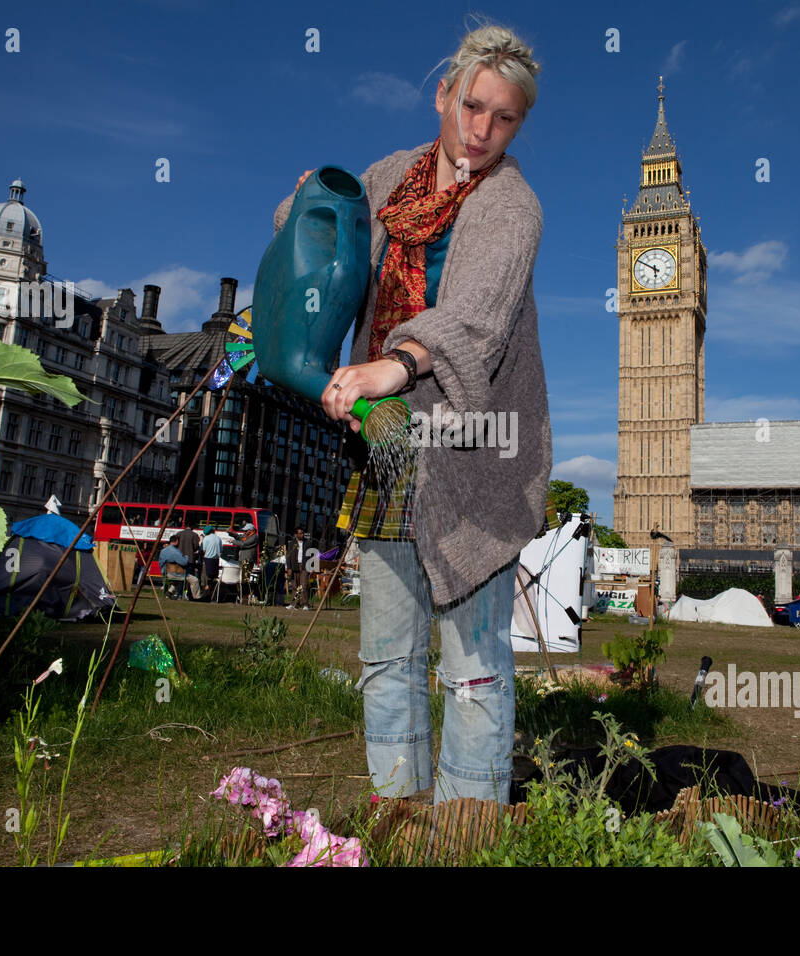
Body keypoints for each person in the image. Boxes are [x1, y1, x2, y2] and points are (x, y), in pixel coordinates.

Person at [276, 24, 551, 804]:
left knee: (472, 665)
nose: (482, 130)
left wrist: (390, 364)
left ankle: (466, 832)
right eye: (472, 106)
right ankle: (396, 811)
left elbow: (475, 319)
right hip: (388, 446)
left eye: (504, 118)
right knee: (387, 656)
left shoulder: (510, 205)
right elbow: (325, 245)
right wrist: (306, 207)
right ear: (443, 95)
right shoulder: (389, 177)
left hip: (472, 453)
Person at [285, 527, 310, 611]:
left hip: (304, 566)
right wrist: (289, 567)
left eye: (302, 533)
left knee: (303, 585)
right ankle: (294, 603)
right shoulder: (292, 543)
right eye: (299, 533)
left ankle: (305, 604)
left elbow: (312, 555)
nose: (301, 535)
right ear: (296, 534)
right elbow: (288, 556)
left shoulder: (308, 543)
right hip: (294, 566)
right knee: (295, 586)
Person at [201, 525, 222, 598]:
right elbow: (221, 550)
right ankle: (213, 593)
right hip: (216, 560)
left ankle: (205, 593)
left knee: (205, 577)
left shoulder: (206, 538)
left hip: (207, 559)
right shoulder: (218, 538)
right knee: (214, 577)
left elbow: (204, 550)